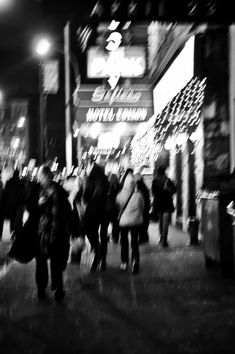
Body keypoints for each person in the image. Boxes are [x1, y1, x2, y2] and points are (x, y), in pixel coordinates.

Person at [35, 165, 72, 300]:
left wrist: (71, 231)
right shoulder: (38, 191)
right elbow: (31, 208)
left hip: (57, 232)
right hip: (42, 232)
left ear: (48, 176)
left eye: (43, 178)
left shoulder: (59, 192)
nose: (41, 181)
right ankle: (41, 288)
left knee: (56, 262)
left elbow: (67, 212)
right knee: (41, 262)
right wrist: (38, 204)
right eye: (40, 178)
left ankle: (58, 288)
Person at [116, 168, 145, 274]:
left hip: (123, 222)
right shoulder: (139, 195)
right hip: (136, 221)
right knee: (134, 242)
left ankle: (124, 262)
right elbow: (143, 208)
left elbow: (118, 208)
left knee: (124, 242)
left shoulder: (120, 195)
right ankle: (135, 262)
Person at [83, 157, 109, 272]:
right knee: (103, 236)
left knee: (90, 231)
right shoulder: (105, 181)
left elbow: (84, 197)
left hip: (92, 211)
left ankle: (96, 253)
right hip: (104, 212)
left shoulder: (90, 180)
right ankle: (102, 261)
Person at [151, 166, 176, 247]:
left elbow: (153, 192)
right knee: (166, 222)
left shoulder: (155, 181)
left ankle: (161, 237)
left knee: (161, 221)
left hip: (159, 204)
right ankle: (164, 239)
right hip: (167, 203)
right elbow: (174, 190)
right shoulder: (168, 180)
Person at [3, 169, 25, 236]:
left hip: (11, 203)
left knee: (12, 218)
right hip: (18, 204)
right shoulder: (21, 183)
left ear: (13, 174)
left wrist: (5, 203)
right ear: (18, 174)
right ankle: (15, 231)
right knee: (17, 218)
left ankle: (12, 230)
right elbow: (23, 193)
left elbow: (5, 193)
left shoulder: (8, 182)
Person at [134, 173, 150, 244]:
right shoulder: (145, 187)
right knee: (145, 222)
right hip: (146, 207)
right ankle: (145, 237)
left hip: (141, 208)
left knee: (140, 223)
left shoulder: (138, 188)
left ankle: (141, 237)